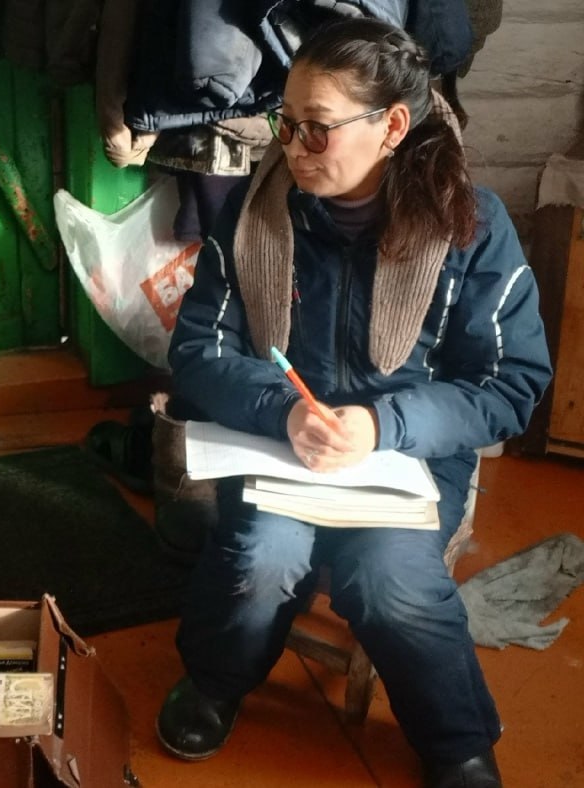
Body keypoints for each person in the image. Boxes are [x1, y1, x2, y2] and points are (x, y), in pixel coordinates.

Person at [156, 18, 551, 788]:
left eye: (318, 128)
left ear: (392, 127)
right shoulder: (255, 213)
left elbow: (511, 385)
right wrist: (282, 411)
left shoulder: (470, 227)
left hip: (407, 461)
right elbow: (199, 352)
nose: (294, 147)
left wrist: (384, 424)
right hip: (279, 445)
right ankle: (214, 681)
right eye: (286, 123)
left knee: (390, 579)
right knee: (262, 555)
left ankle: (456, 742)